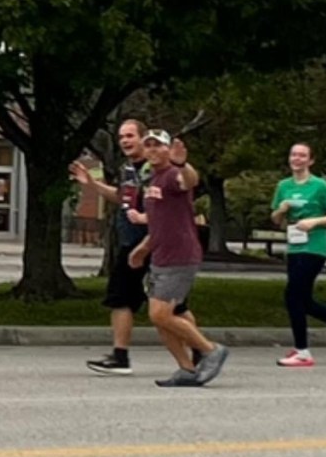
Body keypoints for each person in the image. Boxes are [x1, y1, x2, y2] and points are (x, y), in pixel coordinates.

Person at [129, 130, 229, 387]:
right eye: (148, 145)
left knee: (160, 314)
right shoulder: (153, 180)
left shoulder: (173, 174)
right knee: (163, 319)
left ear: (168, 149)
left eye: (158, 145)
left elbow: (189, 181)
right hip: (161, 255)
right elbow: (160, 223)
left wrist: (183, 164)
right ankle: (187, 369)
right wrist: (143, 248)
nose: (152, 150)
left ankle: (210, 350)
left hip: (180, 255)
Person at [269, 143, 326, 367]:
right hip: (294, 245)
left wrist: (315, 222)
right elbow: (275, 219)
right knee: (302, 299)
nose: (297, 159)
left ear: (310, 161)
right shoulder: (283, 186)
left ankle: (303, 351)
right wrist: (281, 209)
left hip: (315, 246)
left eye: (302, 155)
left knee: (292, 296)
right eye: (293, 154)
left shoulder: (319, 186)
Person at [69, 119, 151, 375]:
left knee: (171, 305)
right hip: (130, 242)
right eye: (122, 137)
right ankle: (120, 356)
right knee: (120, 297)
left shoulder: (154, 169)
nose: (125, 141)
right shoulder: (128, 169)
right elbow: (120, 196)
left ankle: (201, 350)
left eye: (130, 136)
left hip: (153, 242)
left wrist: (146, 241)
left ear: (144, 138)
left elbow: (167, 207)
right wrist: (91, 184)